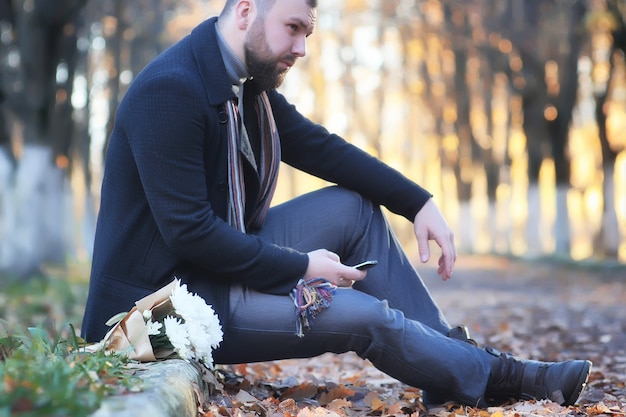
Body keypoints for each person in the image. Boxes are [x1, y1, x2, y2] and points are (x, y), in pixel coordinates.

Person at [81, 0, 592, 408]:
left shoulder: (244, 86)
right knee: (366, 317)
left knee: (354, 207)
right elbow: (189, 232)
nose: (302, 47)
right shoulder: (171, 91)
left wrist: (417, 202)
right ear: (244, 11)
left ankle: (451, 366)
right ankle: (504, 375)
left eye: (308, 32)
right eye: (293, 27)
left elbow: (323, 148)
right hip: (160, 308)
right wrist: (301, 267)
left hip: (207, 270)